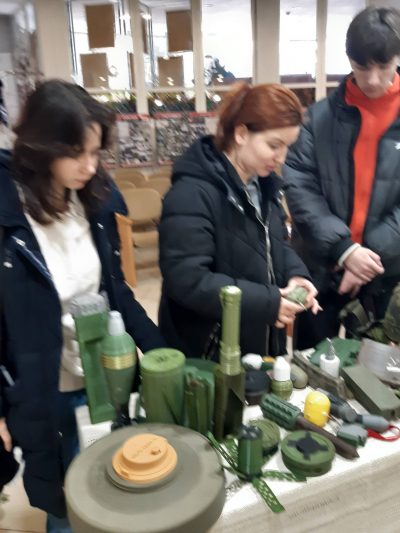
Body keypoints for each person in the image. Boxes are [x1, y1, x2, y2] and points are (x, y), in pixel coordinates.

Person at [0, 80, 166, 532]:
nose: (90, 167)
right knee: (66, 504)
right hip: (44, 387)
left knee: (113, 483)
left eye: (95, 152)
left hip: (104, 375)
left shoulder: (93, 202)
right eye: (76, 153)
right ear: (41, 146)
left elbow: (116, 294)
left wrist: (159, 351)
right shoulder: (11, 220)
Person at [158, 82, 320, 360]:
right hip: (211, 351)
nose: (282, 158)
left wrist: (296, 275)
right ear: (242, 133)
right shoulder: (191, 193)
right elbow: (187, 280)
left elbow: (277, 245)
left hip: (258, 339)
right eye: (274, 145)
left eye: (287, 147)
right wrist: (267, 304)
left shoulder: (264, 186)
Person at [283, 6, 400, 350]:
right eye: (362, 67)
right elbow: (299, 185)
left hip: (386, 271)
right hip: (321, 267)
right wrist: (344, 250)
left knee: (379, 367)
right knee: (311, 363)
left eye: (384, 66)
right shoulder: (317, 119)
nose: (373, 79)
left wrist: (366, 258)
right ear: (349, 60)